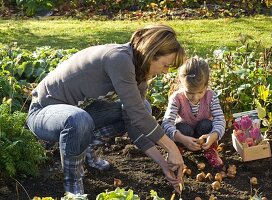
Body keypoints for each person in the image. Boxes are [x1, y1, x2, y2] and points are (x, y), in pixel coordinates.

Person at [26, 24, 185, 195]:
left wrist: (164, 164)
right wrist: (172, 148)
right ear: (151, 54)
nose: (166, 72)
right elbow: (138, 116)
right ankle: (73, 183)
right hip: (44, 113)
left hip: (78, 114)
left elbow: (135, 121)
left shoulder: (139, 76)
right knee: (79, 119)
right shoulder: (119, 59)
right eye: (165, 65)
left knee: (142, 107)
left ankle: (86, 149)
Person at [161, 56, 226, 169]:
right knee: (182, 127)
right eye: (190, 93)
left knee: (207, 124)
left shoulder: (211, 96)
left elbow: (220, 119)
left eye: (200, 92)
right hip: (185, 135)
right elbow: (166, 123)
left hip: (204, 135)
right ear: (182, 84)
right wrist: (182, 138)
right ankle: (177, 151)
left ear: (206, 86)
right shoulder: (177, 98)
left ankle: (210, 150)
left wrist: (213, 135)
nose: (195, 97)